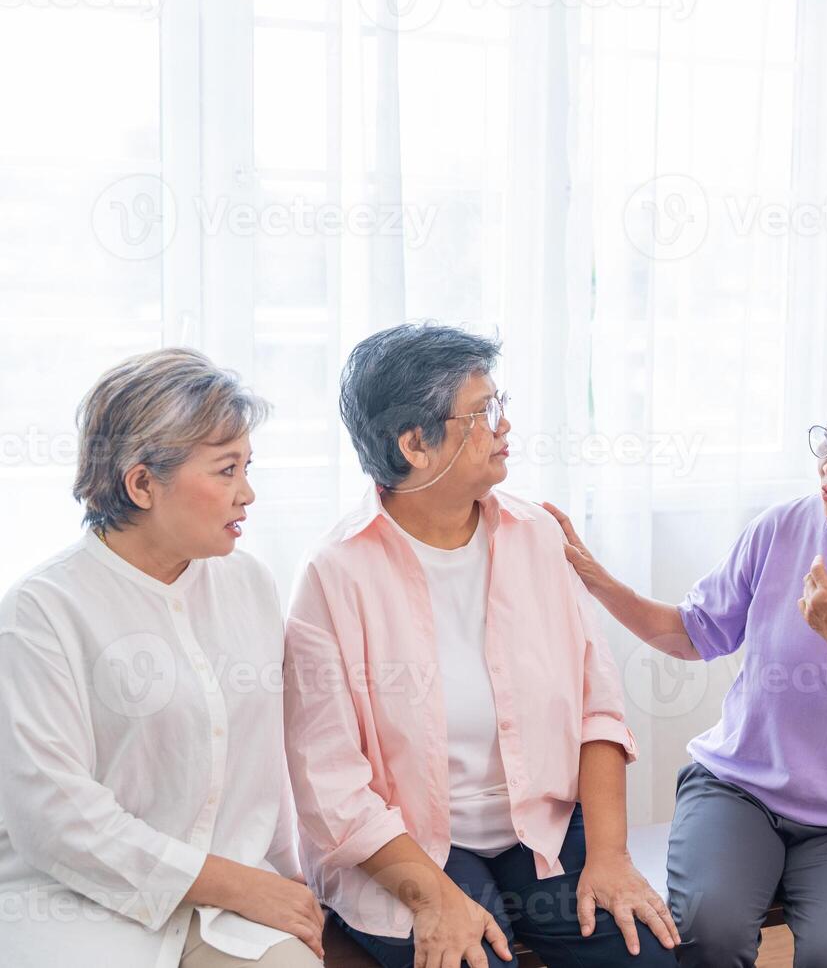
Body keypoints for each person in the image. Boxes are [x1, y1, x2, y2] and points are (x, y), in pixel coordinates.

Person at [548, 356, 827, 967]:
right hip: (738, 790)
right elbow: (692, 632)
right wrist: (595, 578)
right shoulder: (784, 526)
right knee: (710, 933)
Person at [283, 324, 678, 968]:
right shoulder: (336, 572)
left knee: (645, 957)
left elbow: (597, 708)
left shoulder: (535, 535)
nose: (504, 427)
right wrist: (436, 900)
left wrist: (610, 856)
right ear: (415, 444)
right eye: (484, 411)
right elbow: (330, 784)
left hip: (542, 829)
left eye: (502, 405)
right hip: (409, 849)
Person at [0, 349, 324, 967]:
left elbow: (262, 766)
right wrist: (242, 883)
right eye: (226, 470)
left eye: (247, 467)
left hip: (226, 910)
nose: (247, 493)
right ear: (142, 482)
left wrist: (289, 881)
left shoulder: (250, 584)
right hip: (72, 904)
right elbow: (56, 821)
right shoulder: (41, 612)